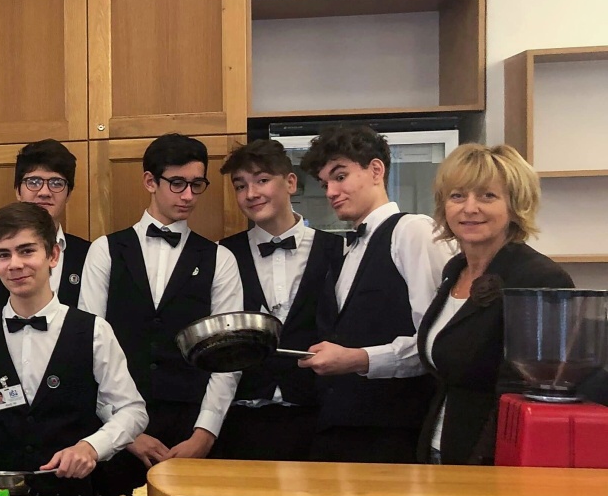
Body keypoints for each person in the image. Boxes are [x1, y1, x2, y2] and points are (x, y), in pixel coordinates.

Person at [0, 204, 146, 496]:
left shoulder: (94, 331)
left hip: (73, 495)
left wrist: (92, 447)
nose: (15, 264)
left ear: (53, 255)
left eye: (26, 251)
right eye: (3, 254)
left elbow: (132, 410)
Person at [80, 134, 242, 484]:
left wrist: (205, 432)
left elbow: (227, 356)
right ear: (150, 181)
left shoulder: (220, 259)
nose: (188, 196)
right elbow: (88, 347)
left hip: (190, 425)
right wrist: (123, 431)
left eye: (197, 185)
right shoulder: (105, 251)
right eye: (177, 183)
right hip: (116, 428)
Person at [297, 123, 451, 463]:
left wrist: (357, 359)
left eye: (340, 176)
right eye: (324, 183)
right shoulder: (348, 248)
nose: (331, 192)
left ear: (376, 170)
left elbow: (436, 343)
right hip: (341, 428)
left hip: (395, 433)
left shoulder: (413, 231)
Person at [418, 144, 573, 464]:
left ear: (515, 205)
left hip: (496, 458)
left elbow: (534, 391)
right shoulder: (454, 271)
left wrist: (485, 463)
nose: (469, 208)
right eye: (457, 196)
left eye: (487, 196)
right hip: (440, 446)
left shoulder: (539, 278)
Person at [214, 140, 345, 461]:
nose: (251, 194)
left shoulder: (339, 250)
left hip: (317, 414)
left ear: (290, 183)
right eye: (240, 186)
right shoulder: (222, 254)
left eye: (262, 180)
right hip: (241, 417)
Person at [0, 141, 91, 398]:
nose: (44, 192)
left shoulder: (89, 254)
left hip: (73, 402)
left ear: (68, 193)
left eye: (56, 183)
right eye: (33, 182)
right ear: (18, 190)